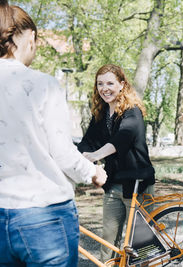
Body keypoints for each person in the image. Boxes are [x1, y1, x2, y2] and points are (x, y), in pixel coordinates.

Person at [0, 1, 107, 266]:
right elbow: (61, 151)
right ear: (30, 38)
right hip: (43, 216)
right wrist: (93, 172)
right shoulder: (43, 85)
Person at [77, 64, 155, 261]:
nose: (105, 88)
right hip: (113, 185)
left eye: (110, 83)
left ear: (122, 85)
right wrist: (74, 158)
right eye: (100, 84)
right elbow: (87, 141)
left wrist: (95, 156)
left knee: (140, 246)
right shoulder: (102, 113)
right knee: (108, 240)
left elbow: (122, 138)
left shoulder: (132, 111)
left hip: (137, 184)